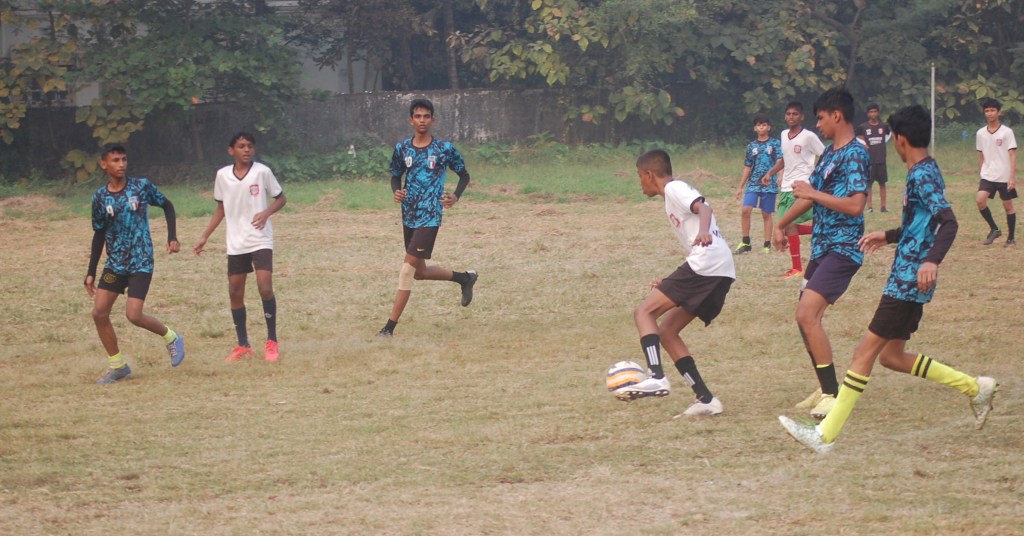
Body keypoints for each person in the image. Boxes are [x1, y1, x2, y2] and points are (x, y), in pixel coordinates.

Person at [779, 105, 998, 453]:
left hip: (908, 280)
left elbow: (948, 222)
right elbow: (920, 223)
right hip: (905, 276)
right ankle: (976, 387)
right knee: (892, 357)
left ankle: (824, 436)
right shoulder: (922, 170)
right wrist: (889, 235)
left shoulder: (922, 175)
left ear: (900, 139)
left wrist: (931, 261)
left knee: (863, 353)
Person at [771, 87, 869, 419]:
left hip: (843, 248)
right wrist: (781, 223)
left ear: (837, 115)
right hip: (823, 248)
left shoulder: (855, 154)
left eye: (821, 117)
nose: (818, 123)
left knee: (806, 314)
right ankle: (823, 386)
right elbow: (809, 193)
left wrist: (813, 194)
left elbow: (856, 205)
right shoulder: (828, 155)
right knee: (804, 318)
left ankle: (831, 394)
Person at [615, 149, 736, 417]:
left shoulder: (674, 188)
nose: (640, 183)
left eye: (639, 176)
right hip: (719, 268)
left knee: (644, 312)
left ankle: (656, 376)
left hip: (706, 263)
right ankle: (705, 399)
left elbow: (704, 207)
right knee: (668, 331)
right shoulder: (673, 195)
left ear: (649, 174)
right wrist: (670, 282)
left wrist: (704, 231)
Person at [85, 145, 185, 384]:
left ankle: (171, 337)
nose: (121, 164)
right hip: (115, 264)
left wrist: (172, 237)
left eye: (124, 159)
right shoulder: (100, 197)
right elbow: (99, 234)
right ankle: (118, 366)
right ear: (104, 164)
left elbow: (168, 205)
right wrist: (90, 272)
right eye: (115, 160)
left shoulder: (141, 187)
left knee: (133, 315)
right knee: (99, 313)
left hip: (141, 261)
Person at [377, 98, 477, 337]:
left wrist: (455, 196)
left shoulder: (444, 149)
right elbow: (395, 176)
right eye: (418, 116)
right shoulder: (402, 149)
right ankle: (465, 279)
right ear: (411, 120)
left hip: (430, 217)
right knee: (419, 272)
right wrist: (396, 191)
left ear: (433, 120)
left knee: (406, 271)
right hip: (408, 215)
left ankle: (388, 329)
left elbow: (464, 175)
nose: (422, 120)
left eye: (426, 116)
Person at [194, 132, 286, 362]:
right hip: (236, 242)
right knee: (235, 292)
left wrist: (266, 213)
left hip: (260, 239)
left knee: (265, 287)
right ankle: (243, 345)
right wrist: (205, 236)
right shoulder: (222, 176)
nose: (246, 150)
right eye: (241, 146)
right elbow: (221, 208)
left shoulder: (262, 172)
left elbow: (281, 198)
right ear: (231, 150)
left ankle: (272, 342)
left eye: (250, 146)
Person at [771, 101, 826, 279]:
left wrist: (815, 176)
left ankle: (797, 268)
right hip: (785, 187)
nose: (791, 117)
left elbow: (824, 154)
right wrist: (770, 173)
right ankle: (821, 230)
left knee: (787, 224)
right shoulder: (783, 135)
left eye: (795, 114)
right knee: (786, 226)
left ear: (802, 117)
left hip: (802, 186)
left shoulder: (808, 136)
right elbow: (784, 159)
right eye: (788, 114)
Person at [734, 113, 782, 254]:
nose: (761, 127)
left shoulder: (775, 144)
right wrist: (740, 186)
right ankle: (745, 242)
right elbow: (748, 167)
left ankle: (766, 244)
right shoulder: (751, 146)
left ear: (769, 127)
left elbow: (780, 161)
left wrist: (780, 175)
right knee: (745, 210)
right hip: (753, 183)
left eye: (764, 125)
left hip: (769, 184)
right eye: (759, 125)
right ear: (755, 128)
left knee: (766, 214)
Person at [975, 98, 1017, 247]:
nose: (989, 113)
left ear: (999, 112)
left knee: (1008, 206)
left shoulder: (1007, 132)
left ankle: (1011, 239)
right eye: (987, 111)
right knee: (980, 200)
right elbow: (981, 154)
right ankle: (994, 229)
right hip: (988, 175)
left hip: (1004, 176)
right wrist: (981, 172)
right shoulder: (980, 133)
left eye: (992, 110)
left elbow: (1012, 155)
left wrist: (1012, 177)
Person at [856, 103, 891, 212]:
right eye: (871, 112)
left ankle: (883, 206)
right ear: (868, 114)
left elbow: (889, 135)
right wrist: (864, 144)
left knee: (882, 183)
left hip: (881, 159)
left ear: (878, 113)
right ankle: (870, 207)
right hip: (869, 160)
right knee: (869, 184)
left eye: (875, 111)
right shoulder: (863, 127)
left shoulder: (883, 126)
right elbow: (855, 136)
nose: (873, 114)